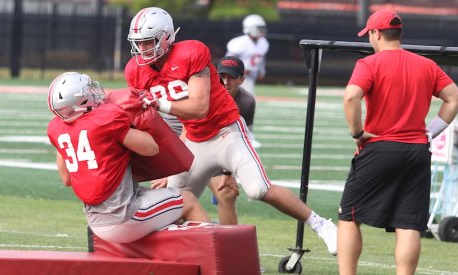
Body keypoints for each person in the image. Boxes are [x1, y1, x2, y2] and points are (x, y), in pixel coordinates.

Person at [124, 7, 338, 255]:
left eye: (148, 41)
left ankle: (322, 225)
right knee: (170, 203)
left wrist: (157, 103)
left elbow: (199, 108)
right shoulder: (135, 70)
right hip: (193, 140)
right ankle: (209, 256)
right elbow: (155, 120)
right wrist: (167, 160)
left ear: (166, 37)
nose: (143, 49)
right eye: (139, 43)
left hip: (226, 132)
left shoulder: (191, 52)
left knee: (258, 189)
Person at [338, 9, 458, 274]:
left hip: (380, 148)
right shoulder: (426, 64)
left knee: (348, 216)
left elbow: (351, 97)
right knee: (408, 225)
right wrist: (432, 131)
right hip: (418, 150)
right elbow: (455, 99)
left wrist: (357, 134)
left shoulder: (369, 64)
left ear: (376, 33)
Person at [46, 72, 210, 244]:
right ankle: (212, 261)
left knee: (168, 208)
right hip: (125, 217)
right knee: (188, 200)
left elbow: (67, 179)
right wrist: (136, 118)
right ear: (81, 101)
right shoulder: (107, 120)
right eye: (88, 89)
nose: (94, 90)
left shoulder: (58, 130)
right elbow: (152, 148)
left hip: (95, 222)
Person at [206, 56, 257, 224]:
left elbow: (241, 140)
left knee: (227, 193)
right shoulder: (203, 95)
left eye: (232, 77)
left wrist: (227, 173)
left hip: (221, 148)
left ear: (242, 79)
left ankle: (229, 246)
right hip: (190, 146)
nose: (226, 82)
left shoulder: (247, 102)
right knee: (174, 193)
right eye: (222, 76)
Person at [225, 13, 269, 148]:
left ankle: (243, 135)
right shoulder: (239, 43)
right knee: (246, 104)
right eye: (258, 27)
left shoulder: (263, 43)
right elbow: (228, 60)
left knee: (244, 105)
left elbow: (262, 59)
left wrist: (261, 71)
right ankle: (247, 136)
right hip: (238, 78)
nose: (261, 30)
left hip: (250, 77)